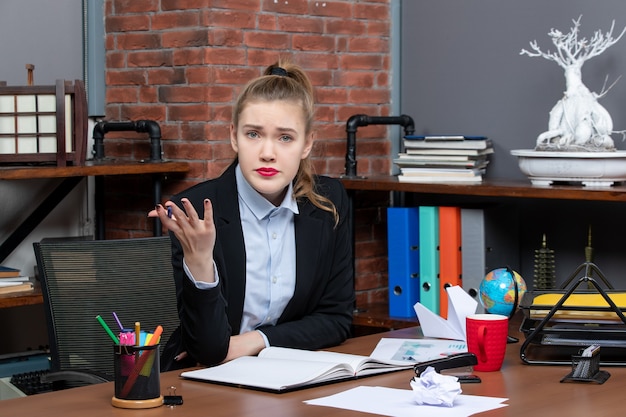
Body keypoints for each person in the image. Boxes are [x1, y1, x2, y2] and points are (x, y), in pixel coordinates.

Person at [151, 60, 355, 368]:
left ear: (307, 143)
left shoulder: (329, 202)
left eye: (285, 137)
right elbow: (207, 350)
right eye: (253, 134)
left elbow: (337, 319)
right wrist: (200, 260)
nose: (267, 153)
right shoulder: (194, 211)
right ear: (234, 137)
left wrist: (255, 341)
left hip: (285, 372)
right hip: (204, 383)